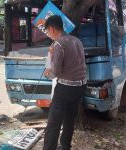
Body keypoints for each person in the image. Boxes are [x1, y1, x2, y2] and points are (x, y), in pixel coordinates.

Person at [43, 15, 87, 150]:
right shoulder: (76, 41)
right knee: (69, 119)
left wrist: (47, 73)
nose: (48, 34)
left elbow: (55, 72)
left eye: (47, 31)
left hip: (65, 88)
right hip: (81, 86)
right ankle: (65, 146)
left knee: (54, 122)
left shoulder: (59, 44)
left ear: (52, 28)